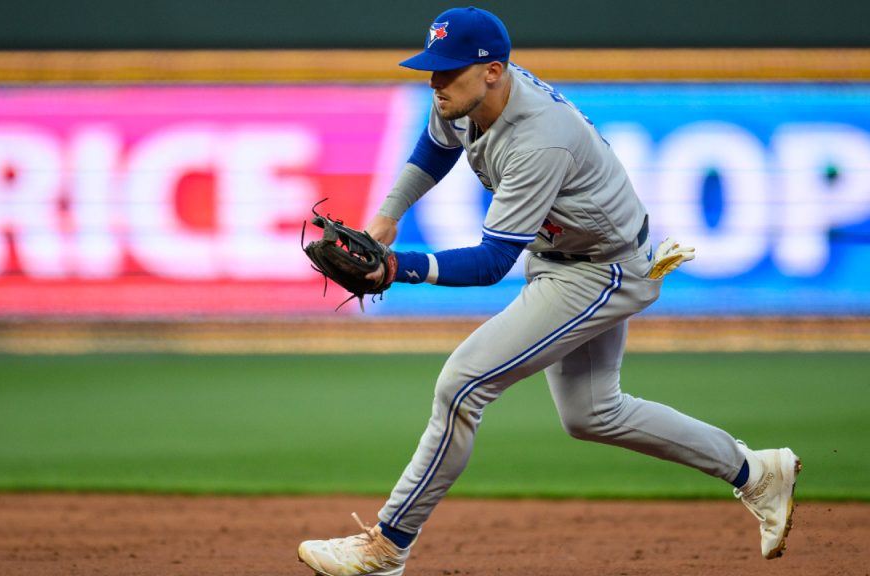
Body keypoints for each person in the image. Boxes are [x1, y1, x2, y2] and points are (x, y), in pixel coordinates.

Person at [297, 7, 801, 576]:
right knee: (592, 413)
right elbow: (436, 145)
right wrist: (388, 217)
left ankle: (387, 546)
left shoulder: (538, 139)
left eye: (448, 71)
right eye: (431, 69)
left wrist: (396, 267)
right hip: (568, 255)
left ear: (491, 71)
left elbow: (491, 263)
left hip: (601, 269)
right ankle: (756, 473)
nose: (436, 82)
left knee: (461, 387)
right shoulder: (467, 98)